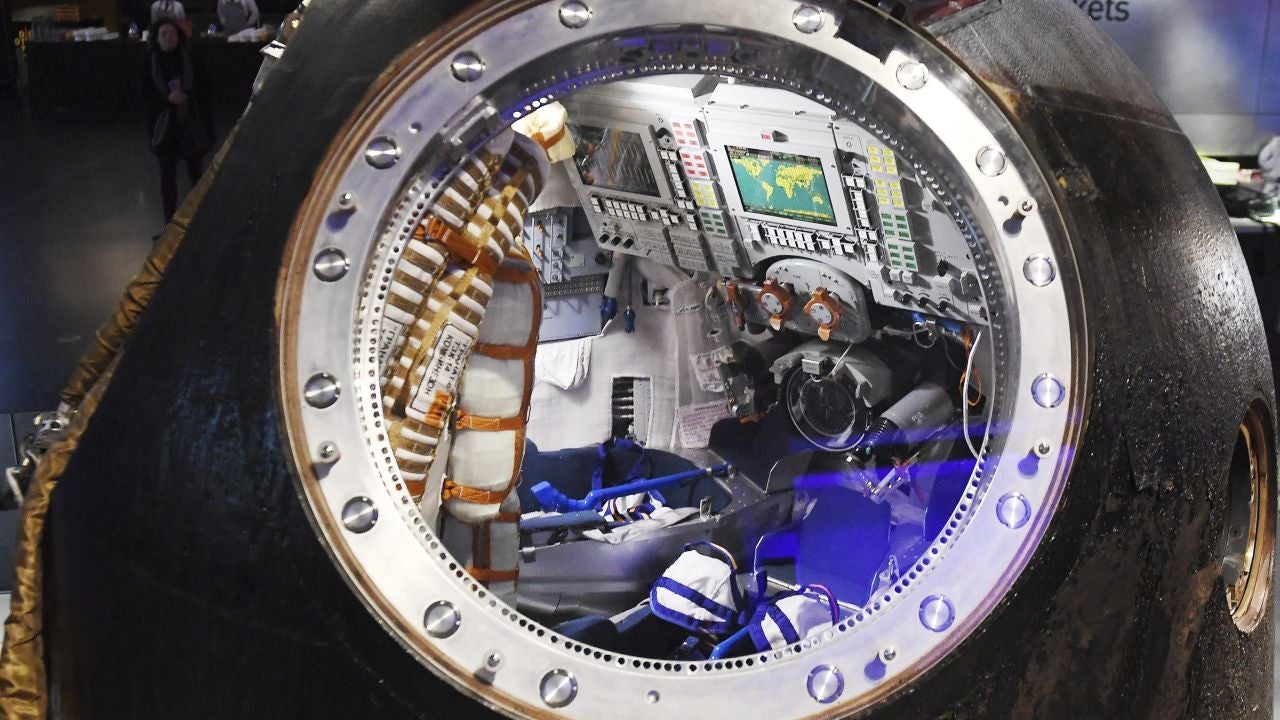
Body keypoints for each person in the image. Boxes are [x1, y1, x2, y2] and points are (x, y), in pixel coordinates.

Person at [144, 18, 213, 228]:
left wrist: (187, 96)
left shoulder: (191, 59)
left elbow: (207, 88)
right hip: (165, 128)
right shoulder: (150, 64)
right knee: (167, 177)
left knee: (196, 174)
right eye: (164, 34)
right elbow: (144, 97)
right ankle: (169, 223)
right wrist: (167, 99)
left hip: (190, 123)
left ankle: (199, 219)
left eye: (172, 33)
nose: (168, 37)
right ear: (156, 38)